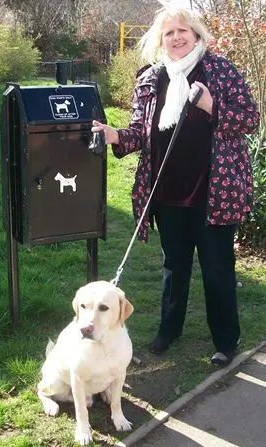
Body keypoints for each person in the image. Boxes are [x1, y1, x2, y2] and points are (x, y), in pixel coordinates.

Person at [91, 8, 259, 366]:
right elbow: (139, 130)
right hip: (167, 192)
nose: (177, 37)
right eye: (169, 33)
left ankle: (226, 341)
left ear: (197, 36)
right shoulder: (151, 78)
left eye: (184, 30)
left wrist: (211, 105)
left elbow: (250, 118)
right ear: (160, 39)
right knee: (174, 267)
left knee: (217, 269)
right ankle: (169, 329)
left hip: (215, 193)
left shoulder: (220, 71)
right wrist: (114, 135)